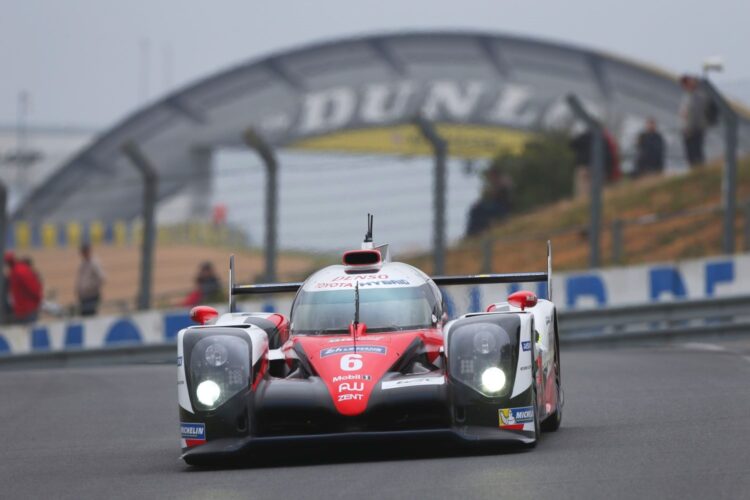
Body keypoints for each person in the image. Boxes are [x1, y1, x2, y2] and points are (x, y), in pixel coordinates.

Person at [465, 168, 512, 237]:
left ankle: (474, 232)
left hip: (501, 208)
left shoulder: (503, 181)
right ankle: (473, 232)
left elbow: (499, 195)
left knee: (478, 211)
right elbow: (489, 197)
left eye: (491, 175)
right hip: (495, 206)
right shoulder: (495, 184)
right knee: (476, 210)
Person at [4, 251, 43, 324]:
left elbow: (33, 289)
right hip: (23, 309)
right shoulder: (16, 271)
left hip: (26, 309)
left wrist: (37, 300)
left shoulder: (19, 271)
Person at [679, 75, 708, 167]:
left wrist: (690, 129)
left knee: (696, 153)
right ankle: (695, 170)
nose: (685, 86)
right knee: (690, 154)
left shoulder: (698, 96)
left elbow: (696, 114)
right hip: (687, 130)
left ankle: (699, 171)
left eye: (687, 83)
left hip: (695, 130)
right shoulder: (687, 96)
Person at [75, 243, 105, 316]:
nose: (83, 254)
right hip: (83, 296)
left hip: (91, 296)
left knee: (90, 316)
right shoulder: (83, 263)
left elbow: (102, 278)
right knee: (84, 315)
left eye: (84, 251)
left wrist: (90, 287)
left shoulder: (94, 263)